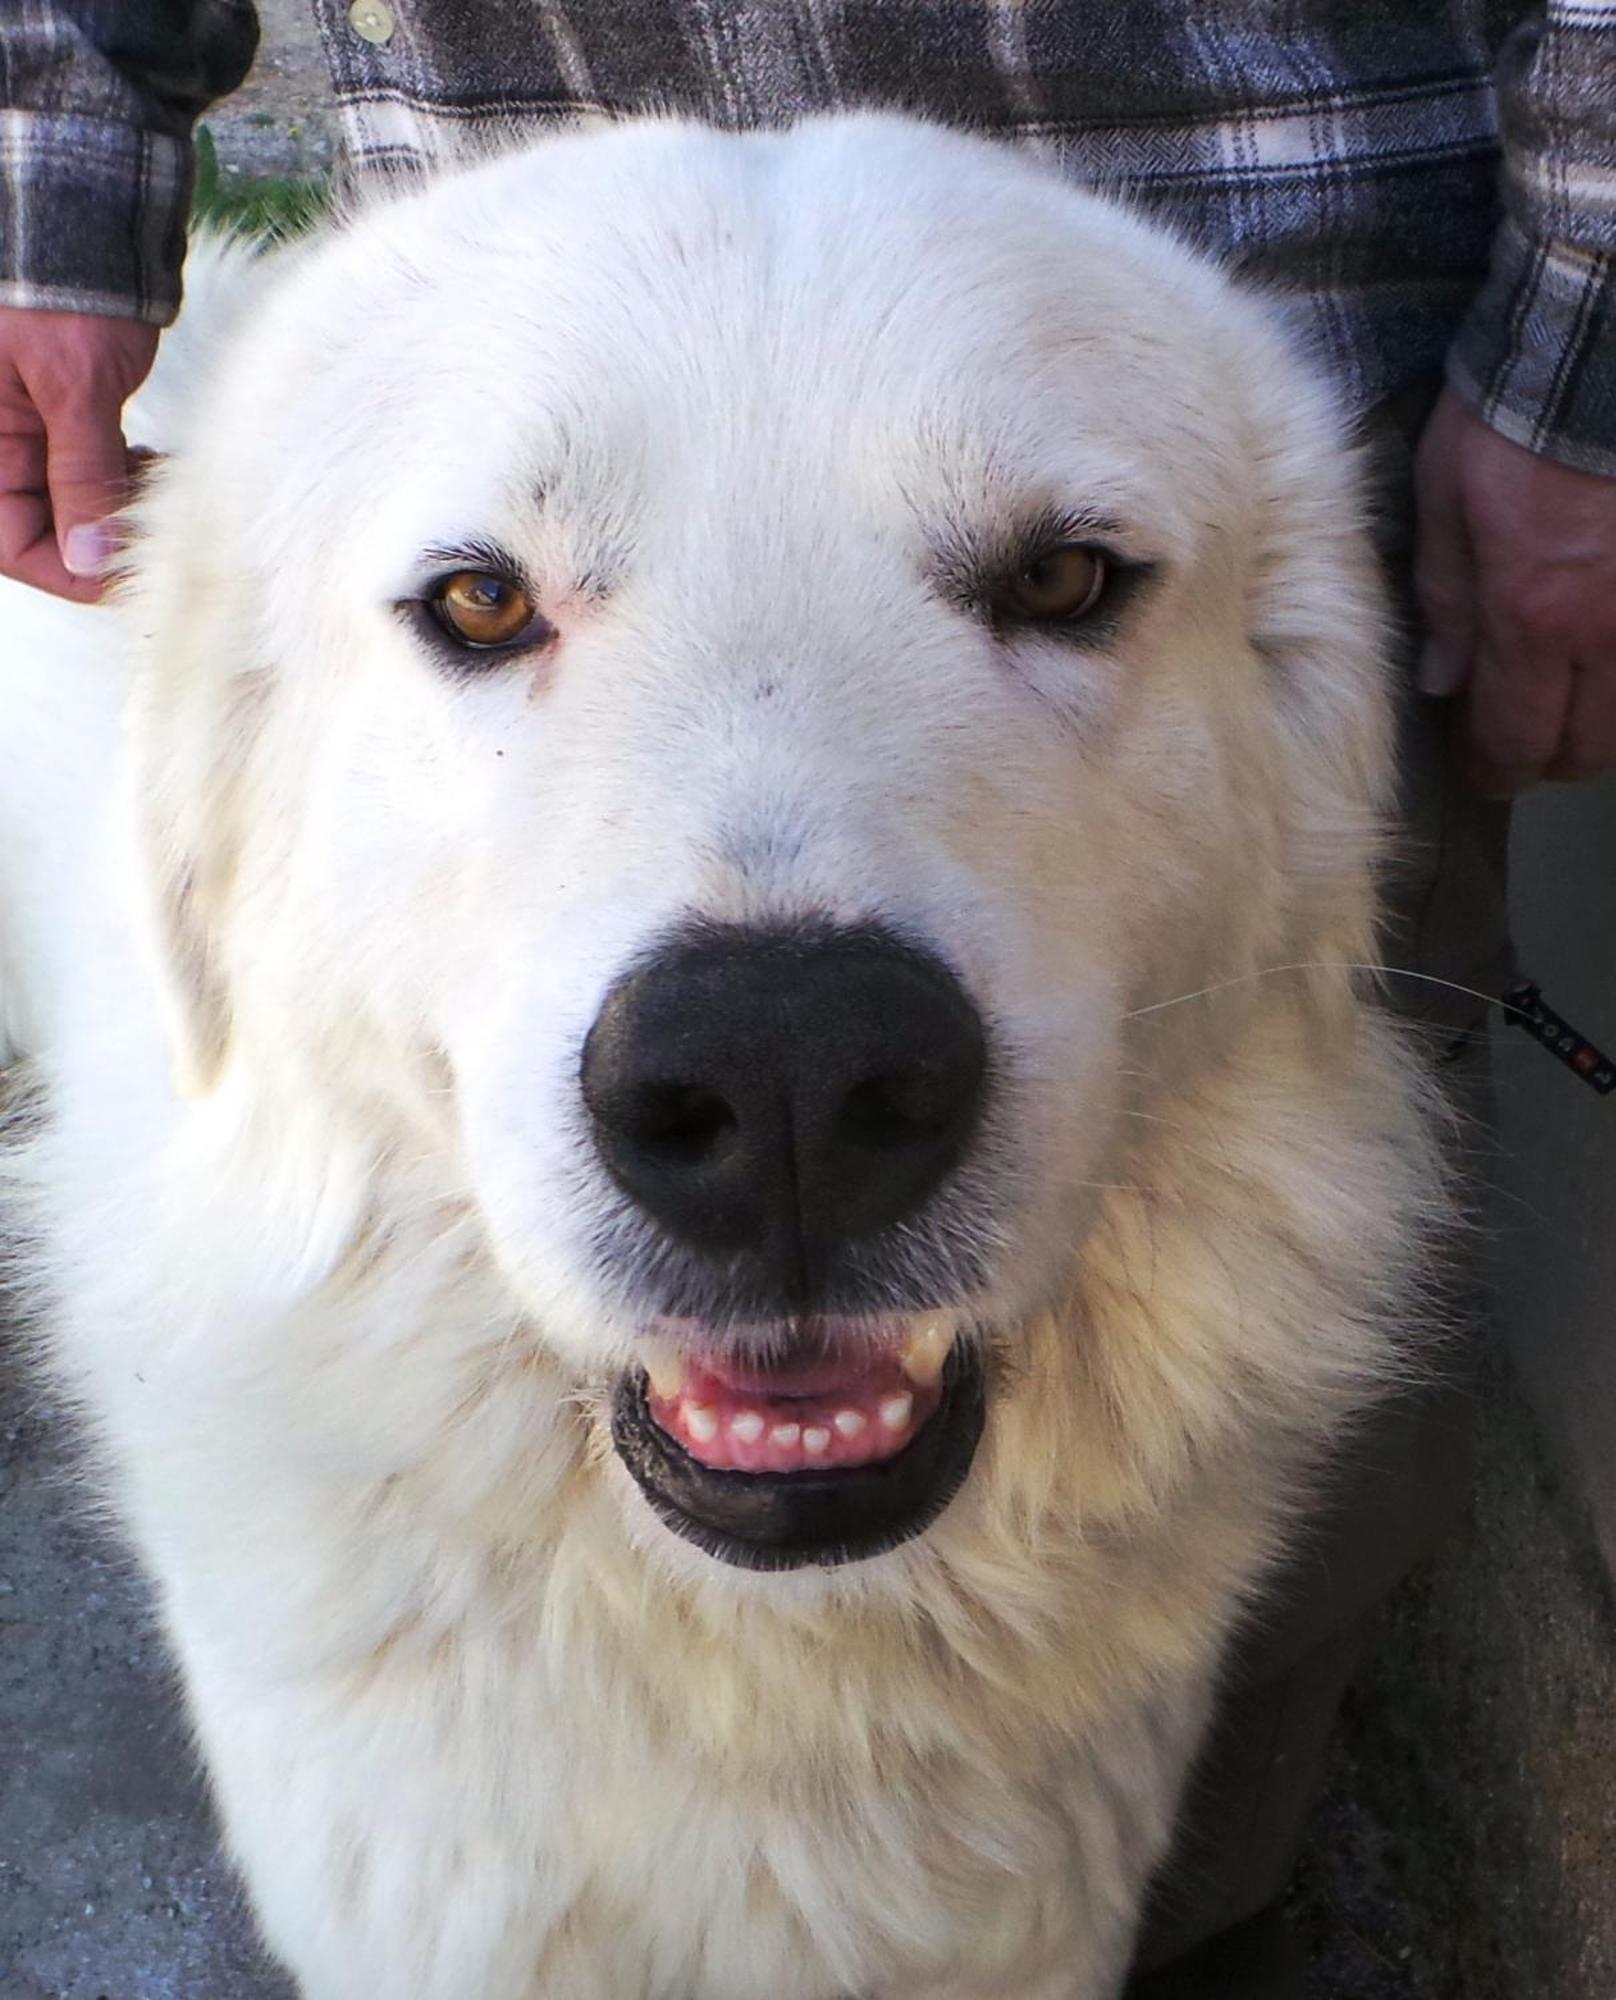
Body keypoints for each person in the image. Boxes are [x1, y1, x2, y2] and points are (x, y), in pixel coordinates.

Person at [2, 5, 1613, 1994]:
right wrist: (51, 154)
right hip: (507, 250)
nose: (778, 1084)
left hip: (1291, 313)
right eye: (484, 615)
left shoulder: (1261, 582)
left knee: (1269, 1556)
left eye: (1044, 584)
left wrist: (1583, 363)